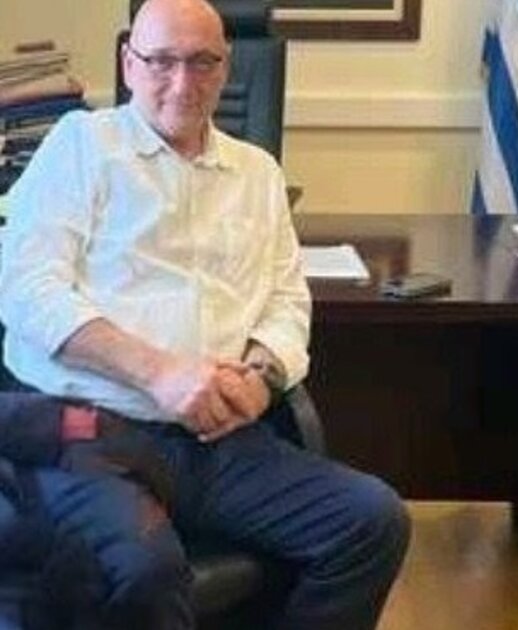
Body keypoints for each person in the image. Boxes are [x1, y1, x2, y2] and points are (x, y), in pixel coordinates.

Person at [0, 0, 409, 627]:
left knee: (371, 522)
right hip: (94, 434)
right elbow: (28, 289)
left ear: (226, 69)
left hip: (219, 439)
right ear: (129, 64)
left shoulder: (257, 174)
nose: (182, 82)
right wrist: (159, 372)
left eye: (202, 63)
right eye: (161, 61)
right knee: (141, 570)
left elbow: (286, 301)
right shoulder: (81, 147)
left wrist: (261, 376)